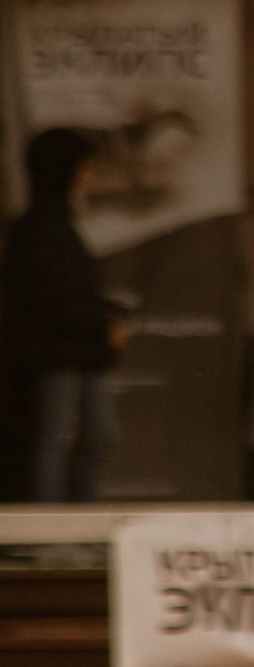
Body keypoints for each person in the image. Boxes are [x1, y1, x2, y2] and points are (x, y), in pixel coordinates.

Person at [1, 129, 126, 502]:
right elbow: (49, 299)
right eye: (84, 168)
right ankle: (51, 531)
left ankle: (79, 527)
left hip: (79, 353)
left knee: (98, 436)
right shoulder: (39, 229)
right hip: (56, 355)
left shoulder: (58, 225)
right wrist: (102, 325)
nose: (89, 177)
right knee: (57, 438)